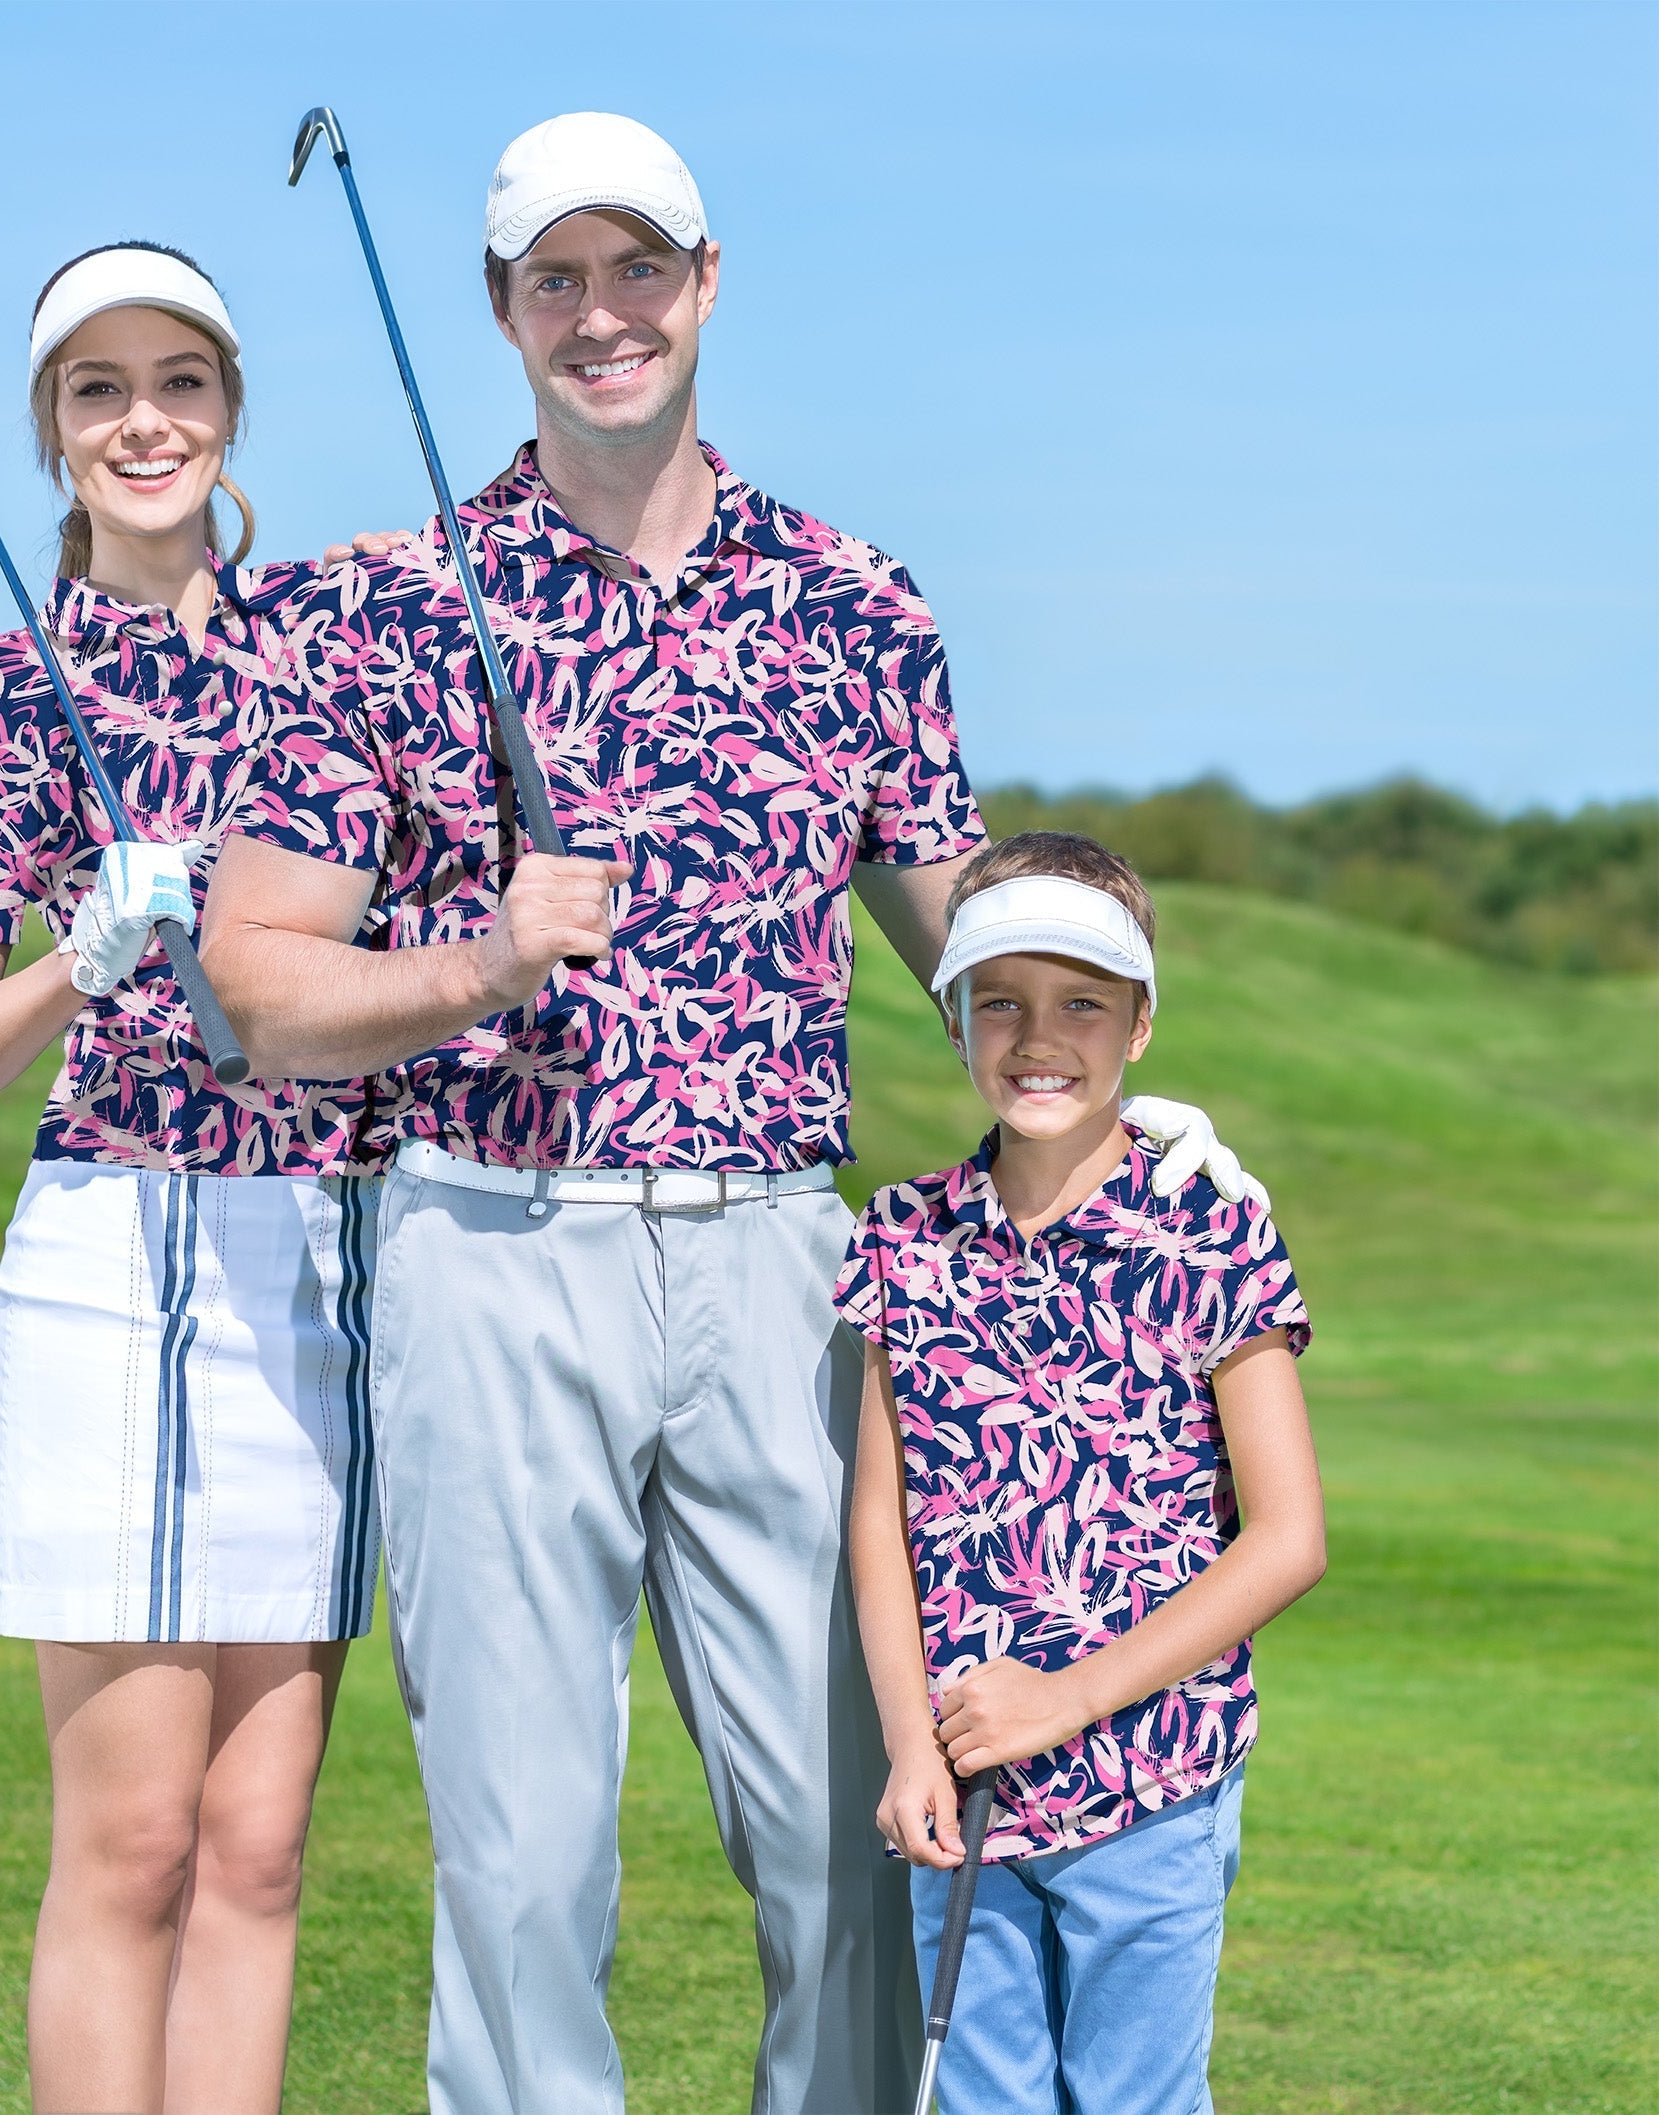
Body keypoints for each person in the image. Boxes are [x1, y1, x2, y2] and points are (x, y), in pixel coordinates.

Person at [201, 115, 1252, 2113]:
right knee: (524, 1864)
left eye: (637, 269)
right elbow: (256, 977)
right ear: (502, 310)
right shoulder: (383, 607)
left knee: (855, 1833)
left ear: (704, 282)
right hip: (489, 1244)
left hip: (781, 1262)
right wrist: (474, 964)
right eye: (556, 279)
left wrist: (1120, 1085)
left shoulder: (856, 603)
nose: (601, 315)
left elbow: (961, 933)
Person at [0, 242, 379, 2115]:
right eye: (97, 390)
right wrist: (71, 964)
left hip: (314, 1257)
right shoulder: (5, 694)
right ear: (51, 431)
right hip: (113, 1258)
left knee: (257, 1846)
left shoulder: (333, 656)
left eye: (180, 380)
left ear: (231, 409)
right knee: (134, 1840)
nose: (144, 419)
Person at [840, 831, 1328, 2115]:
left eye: (1082, 1005)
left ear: (1140, 1026)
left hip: (1154, 1776)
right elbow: (879, 1525)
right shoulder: (902, 1236)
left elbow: (1288, 1538)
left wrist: (1065, 1701)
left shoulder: (1212, 1229)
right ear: (953, 1017)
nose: (1038, 1037)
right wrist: (909, 1747)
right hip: (964, 1785)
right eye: (999, 1001)